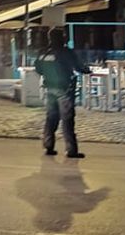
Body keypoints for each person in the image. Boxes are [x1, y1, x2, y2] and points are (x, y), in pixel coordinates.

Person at [35, 29, 90, 158]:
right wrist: (87, 70)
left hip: (49, 89)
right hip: (65, 89)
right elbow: (78, 66)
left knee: (51, 118)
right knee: (67, 119)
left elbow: (38, 68)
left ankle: (48, 146)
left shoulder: (44, 52)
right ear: (62, 38)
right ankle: (71, 150)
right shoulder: (66, 52)